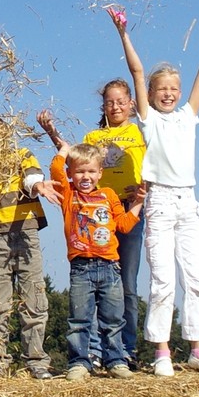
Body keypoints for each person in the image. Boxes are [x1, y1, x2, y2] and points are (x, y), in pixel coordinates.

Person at [111, 5, 199, 376]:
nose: (169, 94)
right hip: (158, 199)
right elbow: (137, 70)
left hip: (187, 201)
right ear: (152, 93)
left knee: (196, 277)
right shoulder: (148, 120)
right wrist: (123, 33)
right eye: (163, 89)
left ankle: (197, 348)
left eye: (174, 89)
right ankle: (162, 351)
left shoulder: (188, 115)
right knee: (162, 280)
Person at [38, 79, 146, 371]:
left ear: (132, 103)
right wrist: (52, 133)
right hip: (92, 207)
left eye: (121, 101)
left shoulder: (140, 130)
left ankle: (125, 350)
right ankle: (94, 353)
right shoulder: (94, 135)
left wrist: (140, 198)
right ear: (104, 106)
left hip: (124, 204)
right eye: (110, 102)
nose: (116, 106)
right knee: (93, 289)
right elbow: (73, 159)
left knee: (125, 284)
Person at [51, 142, 144, 381]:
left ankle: (116, 360)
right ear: (71, 173)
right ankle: (80, 362)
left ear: (100, 173)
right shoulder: (69, 194)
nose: (85, 176)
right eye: (80, 171)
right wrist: (64, 151)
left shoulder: (108, 195)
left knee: (113, 319)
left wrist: (138, 204)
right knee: (79, 319)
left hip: (110, 267)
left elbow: (123, 224)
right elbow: (55, 170)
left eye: (91, 171)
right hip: (81, 267)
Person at [0, 120, 60, 380]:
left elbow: (31, 176)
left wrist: (37, 186)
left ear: (7, 134)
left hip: (25, 233)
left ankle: (36, 360)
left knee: (33, 296)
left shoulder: (21, 154)